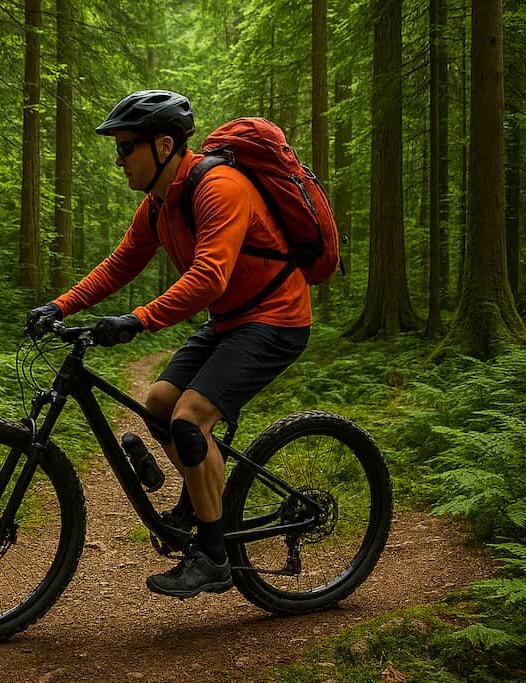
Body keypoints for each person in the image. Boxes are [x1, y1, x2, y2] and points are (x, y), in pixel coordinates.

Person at [25, 90, 312, 598]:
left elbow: (208, 278)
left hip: (275, 318)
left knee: (189, 418)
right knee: (159, 403)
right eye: (116, 148)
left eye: (126, 146)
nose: (118, 159)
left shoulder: (218, 187)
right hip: (229, 321)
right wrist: (61, 305)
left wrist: (139, 319)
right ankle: (201, 500)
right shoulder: (159, 203)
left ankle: (214, 556)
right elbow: (121, 263)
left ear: (163, 144)